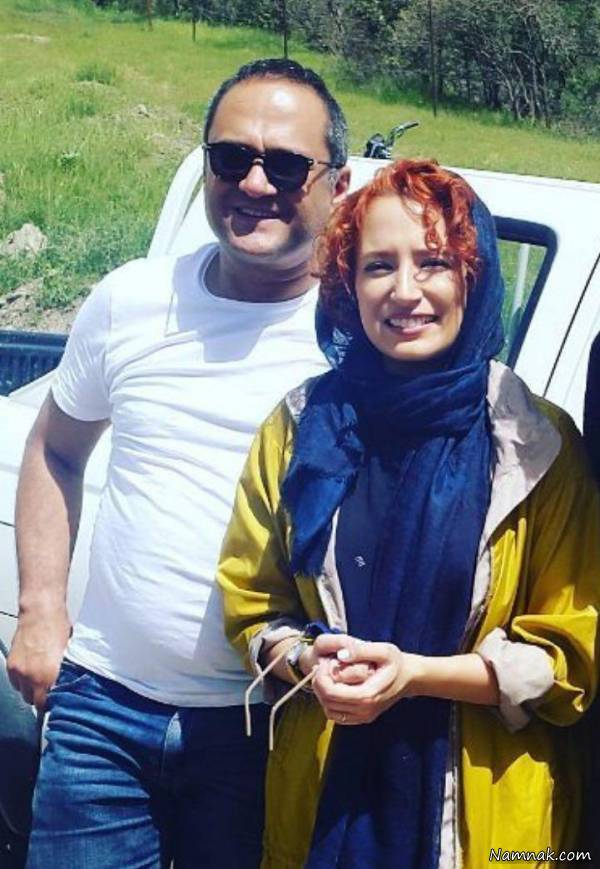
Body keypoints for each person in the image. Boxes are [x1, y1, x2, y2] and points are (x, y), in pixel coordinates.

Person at [7, 58, 350, 868]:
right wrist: (41, 610)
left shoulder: (361, 333)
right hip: (100, 713)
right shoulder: (132, 299)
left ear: (338, 183)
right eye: (231, 157)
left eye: (287, 165)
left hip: (269, 724)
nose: (255, 183)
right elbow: (55, 447)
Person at [217, 158, 600, 868]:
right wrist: (304, 659)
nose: (404, 291)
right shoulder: (300, 428)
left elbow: (570, 657)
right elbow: (253, 602)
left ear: (473, 277)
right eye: (377, 266)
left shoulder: (538, 444)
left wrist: (416, 674)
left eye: (434, 262)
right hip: (323, 799)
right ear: (347, 284)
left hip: (484, 821)